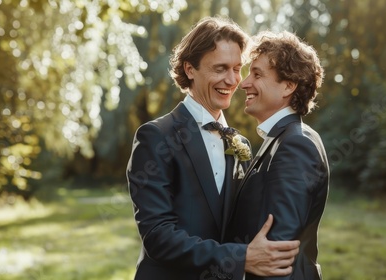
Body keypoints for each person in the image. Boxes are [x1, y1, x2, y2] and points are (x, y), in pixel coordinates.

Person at [126, 17, 300, 280]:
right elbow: (158, 236)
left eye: (237, 69)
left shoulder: (240, 142)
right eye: (220, 69)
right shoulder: (155, 136)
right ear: (190, 69)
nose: (233, 81)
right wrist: (241, 258)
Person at [225, 30, 329, 280]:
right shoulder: (282, 139)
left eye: (257, 74)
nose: (244, 83)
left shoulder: (296, 145)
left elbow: (277, 253)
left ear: (288, 86)